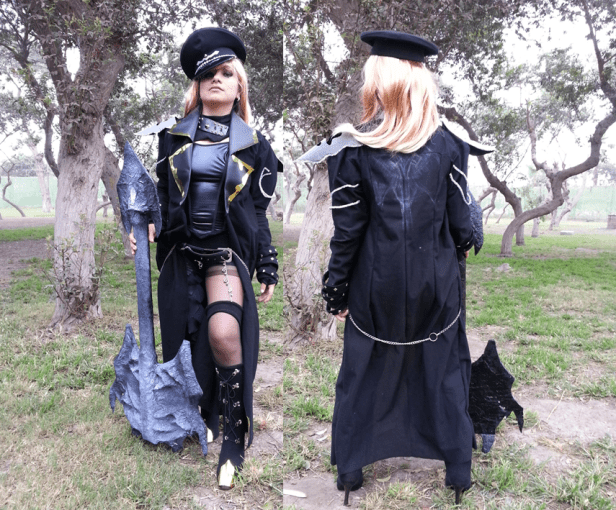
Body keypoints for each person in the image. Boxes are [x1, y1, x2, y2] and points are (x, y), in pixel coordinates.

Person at [305, 31, 489, 505]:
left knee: (363, 369)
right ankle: (457, 470)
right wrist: (461, 245)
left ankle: (351, 469)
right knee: (443, 368)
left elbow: (347, 233)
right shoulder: (450, 144)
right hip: (437, 286)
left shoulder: (351, 147)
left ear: (379, 84)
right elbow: (462, 226)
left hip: (374, 287)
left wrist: (336, 290)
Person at [131, 27, 282, 489]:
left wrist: (267, 260)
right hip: (180, 255)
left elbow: (257, 211)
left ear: (239, 86)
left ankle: (234, 432)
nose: (217, 78)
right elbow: (158, 198)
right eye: (208, 73)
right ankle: (203, 413)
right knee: (185, 345)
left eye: (226, 73)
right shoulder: (171, 138)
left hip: (225, 254)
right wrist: (140, 227)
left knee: (222, 332)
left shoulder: (255, 145)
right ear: (196, 84)